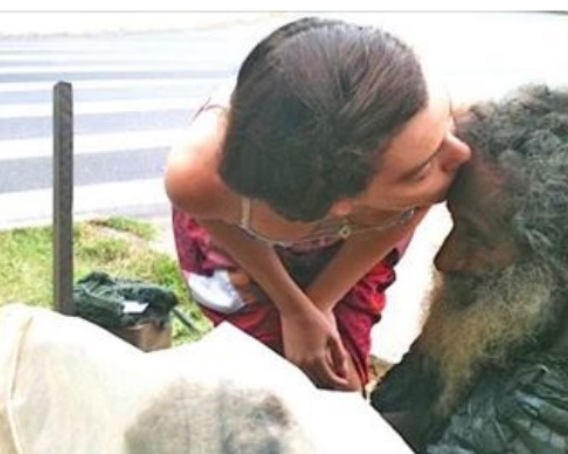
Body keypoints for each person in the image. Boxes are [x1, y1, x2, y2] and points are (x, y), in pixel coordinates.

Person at [164, 16, 471, 392]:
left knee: (340, 381)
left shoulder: (419, 115)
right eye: (421, 170)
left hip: (358, 248)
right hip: (242, 247)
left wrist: (319, 304)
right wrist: (292, 309)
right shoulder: (202, 177)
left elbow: (397, 219)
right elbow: (218, 222)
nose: (463, 153)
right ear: (343, 203)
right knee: (269, 380)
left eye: (446, 124)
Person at [370, 85, 568, 452]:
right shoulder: (530, 288)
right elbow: (407, 409)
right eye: (455, 225)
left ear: (560, 250)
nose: (447, 259)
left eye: (475, 235)